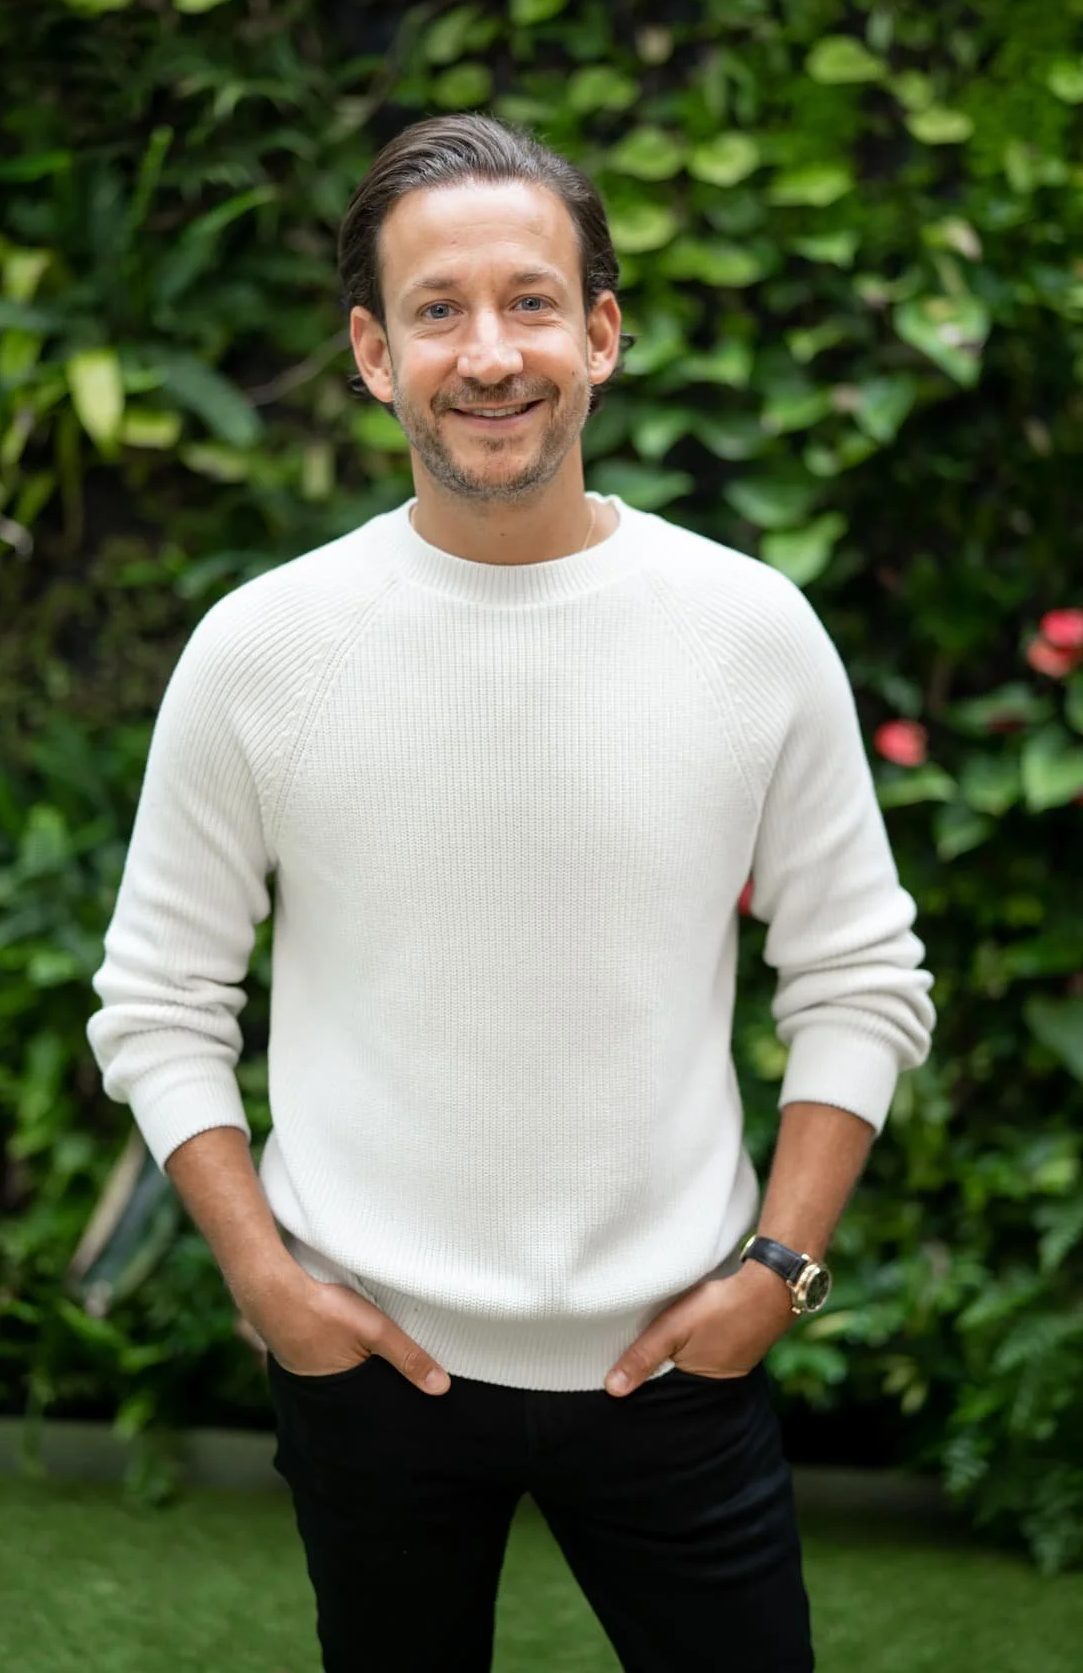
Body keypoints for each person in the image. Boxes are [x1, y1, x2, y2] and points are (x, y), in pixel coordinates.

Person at [86, 112, 936, 1672]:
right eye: (439, 310)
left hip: (680, 1358)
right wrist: (266, 1282)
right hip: (367, 1365)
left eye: (531, 302)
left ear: (601, 335)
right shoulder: (264, 650)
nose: (490, 354)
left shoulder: (748, 631)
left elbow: (858, 974)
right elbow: (157, 997)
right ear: (373, 353)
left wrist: (781, 1273)